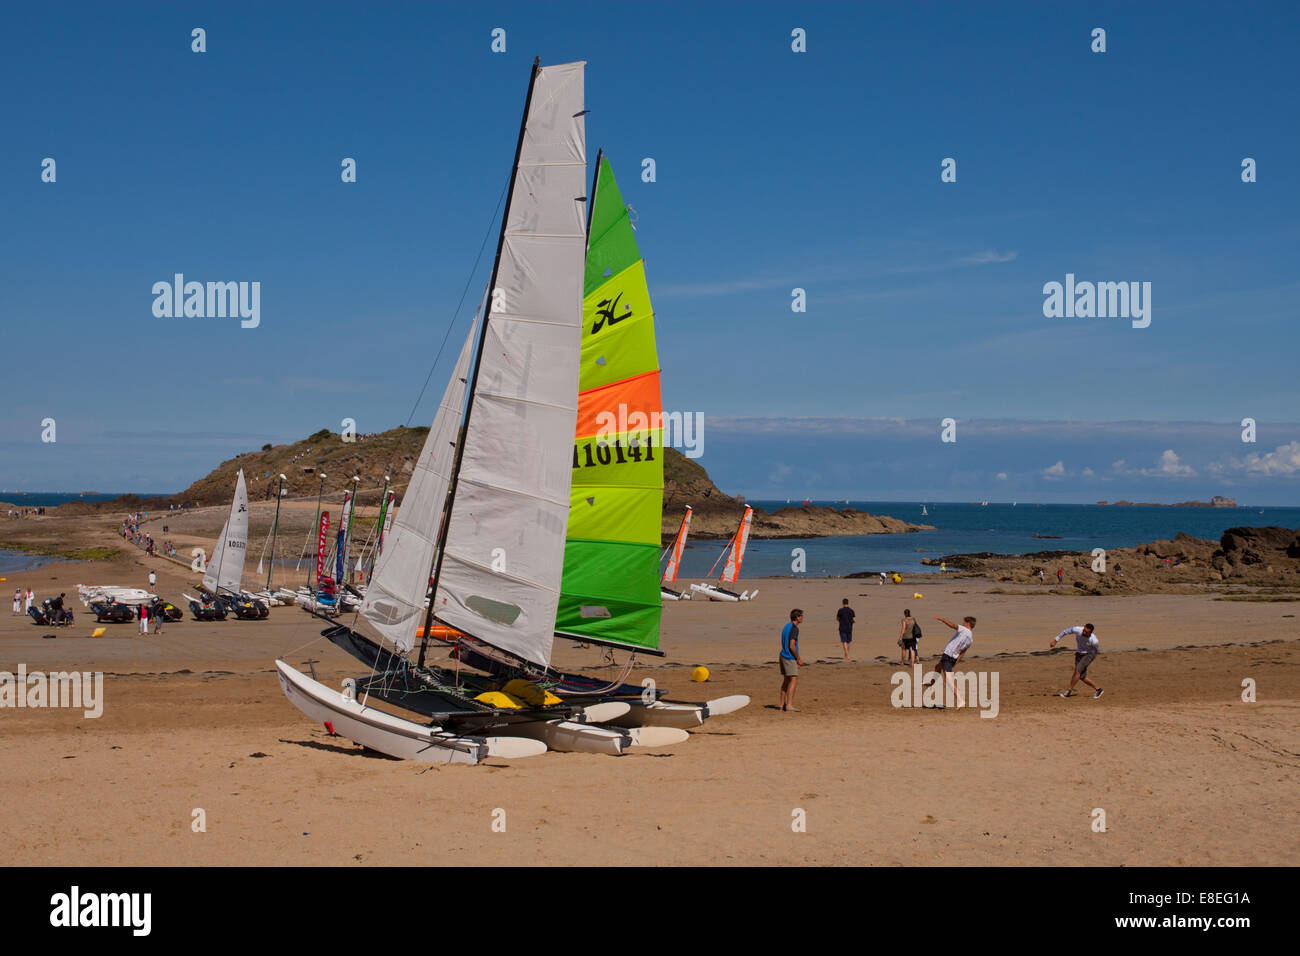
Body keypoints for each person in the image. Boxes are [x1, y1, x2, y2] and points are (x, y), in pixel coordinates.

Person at [932, 615, 976, 708]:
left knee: (949, 680)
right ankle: (931, 682)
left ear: (967, 623)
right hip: (953, 658)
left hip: (948, 655)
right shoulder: (970, 639)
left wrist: (942, 619)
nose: (963, 623)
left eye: (964, 622)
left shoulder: (964, 629)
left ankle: (960, 700)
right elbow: (962, 652)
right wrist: (956, 662)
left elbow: (952, 625)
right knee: (938, 666)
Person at [1050, 623, 1103, 698]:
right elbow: (1065, 631)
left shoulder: (1094, 640)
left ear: (1090, 633)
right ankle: (1099, 689)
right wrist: (1055, 640)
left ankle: (1069, 690)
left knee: (1077, 671)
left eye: (1086, 632)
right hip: (1079, 654)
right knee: (1081, 676)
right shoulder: (1077, 629)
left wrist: (1090, 658)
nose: (1084, 633)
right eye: (1084, 630)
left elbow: (1096, 650)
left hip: (1089, 654)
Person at [779, 608, 806, 712]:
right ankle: (789, 705)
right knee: (794, 679)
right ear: (797, 617)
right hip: (789, 657)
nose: (803, 618)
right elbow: (792, 646)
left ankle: (782, 704)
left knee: (786, 680)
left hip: (782, 655)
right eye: (801, 616)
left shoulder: (786, 626)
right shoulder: (794, 628)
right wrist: (798, 658)